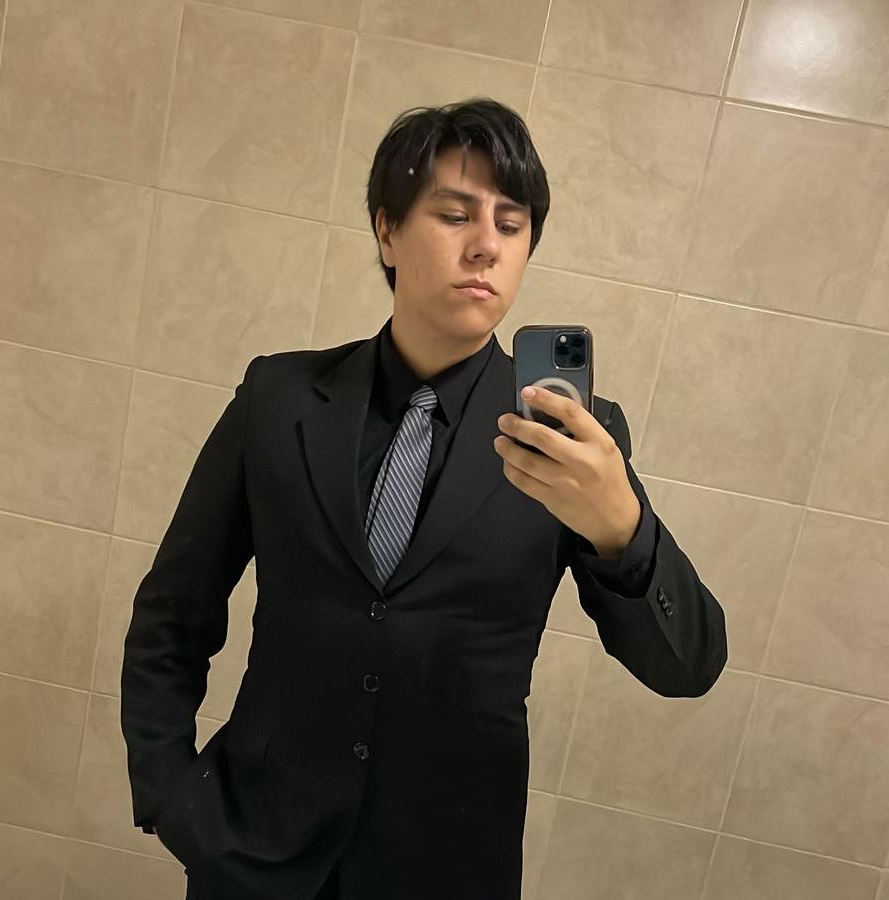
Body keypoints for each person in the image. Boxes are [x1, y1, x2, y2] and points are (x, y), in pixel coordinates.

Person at [121, 97, 727, 900]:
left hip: (447, 868)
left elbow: (689, 668)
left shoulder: (573, 438)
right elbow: (173, 612)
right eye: (455, 214)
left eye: (511, 225)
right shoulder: (280, 398)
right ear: (387, 231)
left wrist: (625, 531)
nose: (486, 246)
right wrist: (171, 795)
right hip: (255, 858)